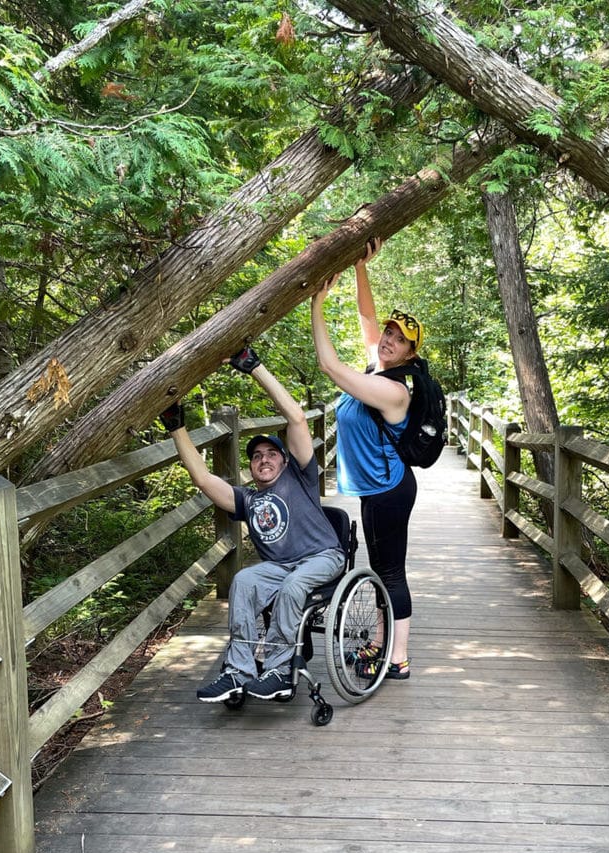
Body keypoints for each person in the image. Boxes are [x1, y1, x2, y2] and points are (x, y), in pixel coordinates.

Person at [159, 346, 345, 703]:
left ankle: (279, 671)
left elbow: (296, 418)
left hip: (323, 556)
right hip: (279, 566)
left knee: (293, 585)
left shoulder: (301, 477)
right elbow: (202, 478)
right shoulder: (247, 499)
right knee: (243, 579)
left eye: (272, 454)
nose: (263, 459)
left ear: (285, 461)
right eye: (256, 456)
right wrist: (176, 426)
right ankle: (239, 671)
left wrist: (254, 368)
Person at [310, 237, 420, 680]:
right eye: (389, 335)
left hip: (387, 492)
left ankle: (397, 657)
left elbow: (330, 367)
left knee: (389, 573)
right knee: (384, 569)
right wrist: (360, 267)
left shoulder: (392, 390)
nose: (388, 341)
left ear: (411, 354)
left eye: (399, 340)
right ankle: (382, 642)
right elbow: (367, 320)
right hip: (382, 488)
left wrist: (317, 305)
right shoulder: (379, 367)